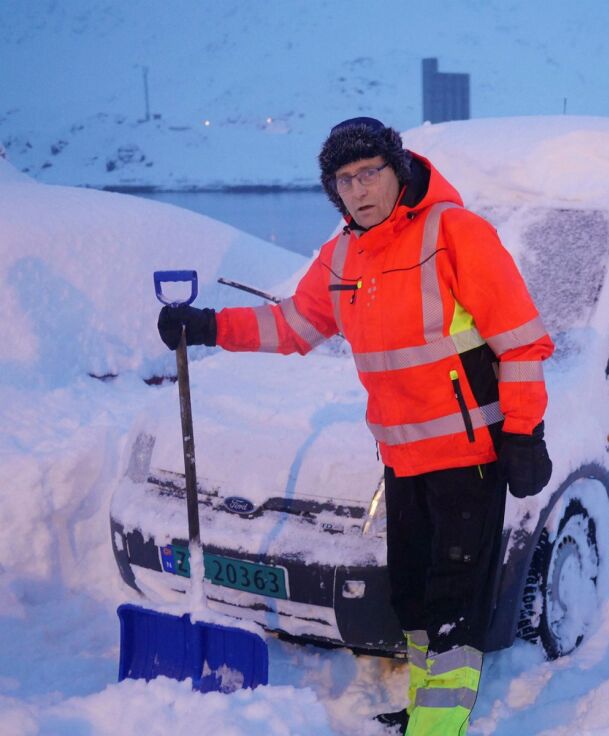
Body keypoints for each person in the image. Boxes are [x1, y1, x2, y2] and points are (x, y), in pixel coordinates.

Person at [157, 116, 554, 735]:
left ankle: (437, 728)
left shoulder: (456, 234)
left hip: (470, 459)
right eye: (344, 179)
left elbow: (523, 342)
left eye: (371, 172)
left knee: (454, 608)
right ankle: (428, 710)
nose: (359, 188)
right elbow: (293, 326)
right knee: (414, 601)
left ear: (397, 171)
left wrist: (524, 433)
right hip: (402, 461)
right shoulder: (343, 254)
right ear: (333, 191)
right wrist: (210, 327)